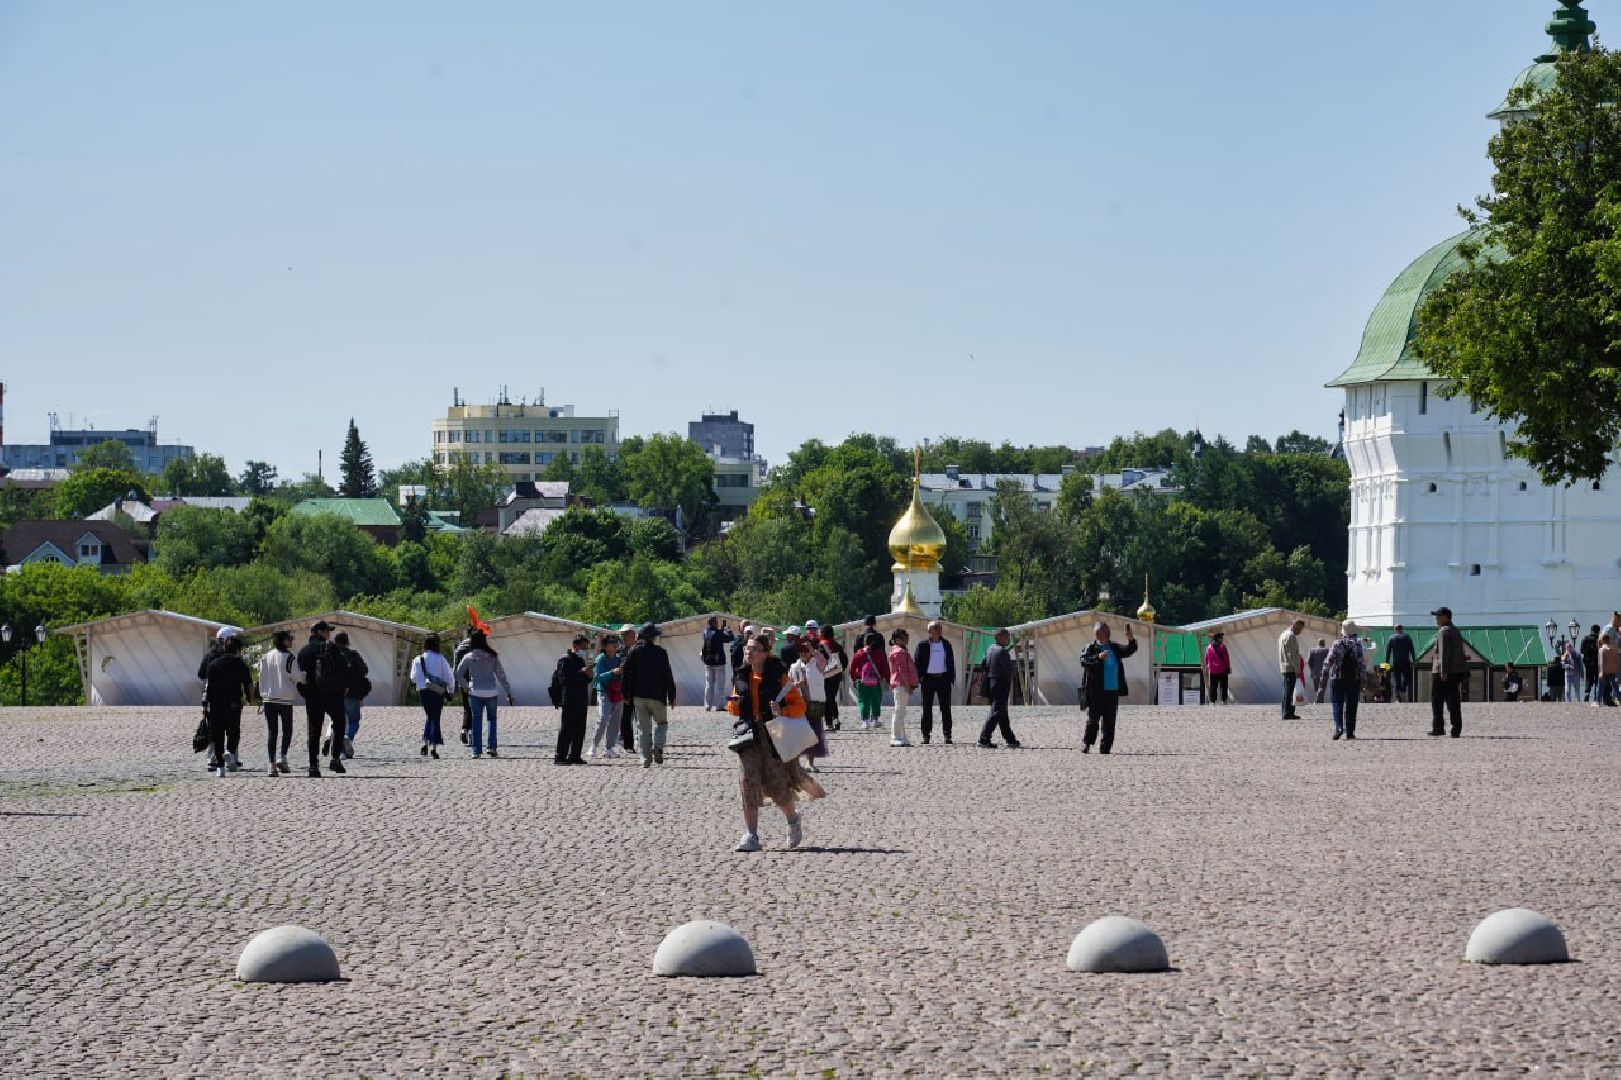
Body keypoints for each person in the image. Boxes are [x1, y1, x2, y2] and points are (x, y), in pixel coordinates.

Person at [728, 634, 826, 852]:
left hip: (774, 736)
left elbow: (799, 706)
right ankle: (751, 835)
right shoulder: (741, 675)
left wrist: (781, 710)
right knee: (747, 782)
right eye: (747, 648)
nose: (748, 652)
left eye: (754, 649)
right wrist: (734, 703)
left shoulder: (778, 675)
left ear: (765, 653)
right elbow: (733, 706)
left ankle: (793, 820)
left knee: (777, 784)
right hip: (748, 735)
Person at [619, 622, 676, 767]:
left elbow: (626, 674)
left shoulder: (633, 651)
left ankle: (645, 759)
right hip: (657, 696)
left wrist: (625, 693)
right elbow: (668, 675)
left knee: (643, 728)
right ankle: (658, 746)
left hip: (638, 695)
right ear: (653, 637)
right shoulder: (661, 652)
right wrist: (672, 696)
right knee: (662, 724)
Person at [297, 620, 348, 777]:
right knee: (339, 723)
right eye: (327, 631)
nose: (329, 634)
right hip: (333, 694)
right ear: (319, 632)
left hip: (313, 695)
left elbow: (299, 676)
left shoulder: (304, 651)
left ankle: (313, 766)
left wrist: (305, 693)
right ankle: (335, 759)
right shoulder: (332, 648)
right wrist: (343, 688)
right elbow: (344, 669)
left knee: (314, 730)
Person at [1079, 621, 1138, 754]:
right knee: (1093, 719)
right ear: (1097, 633)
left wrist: (1130, 638)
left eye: (1108, 630)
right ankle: (1086, 743)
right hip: (1096, 691)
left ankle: (1105, 748)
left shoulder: (1114, 647)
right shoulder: (1091, 647)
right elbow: (1083, 661)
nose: (1108, 633)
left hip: (1112, 690)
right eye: (1105, 631)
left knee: (1109, 721)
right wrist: (1098, 657)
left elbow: (1129, 650)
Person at [455, 630, 513, 758]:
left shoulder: (468, 657)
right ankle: (492, 748)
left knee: (476, 720)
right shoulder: (492, 656)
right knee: (492, 719)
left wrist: (466, 688)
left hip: (475, 691)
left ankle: (476, 751)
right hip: (491, 691)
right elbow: (501, 675)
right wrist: (508, 692)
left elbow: (458, 674)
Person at [203, 635, 255, 778]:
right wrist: (250, 699)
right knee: (233, 731)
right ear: (237, 649)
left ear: (224, 648)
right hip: (233, 703)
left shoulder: (214, 664)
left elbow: (208, 686)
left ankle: (220, 767)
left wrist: (205, 705)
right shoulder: (240, 664)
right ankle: (230, 751)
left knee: (218, 734)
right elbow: (248, 684)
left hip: (216, 704)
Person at [196, 626, 242, 770]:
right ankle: (232, 757)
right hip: (230, 697)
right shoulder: (233, 657)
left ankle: (213, 759)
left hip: (212, 697)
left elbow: (201, 674)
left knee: (214, 728)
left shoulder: (209, 656)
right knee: (232, 728)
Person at [256, 629, 299, 776]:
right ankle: (283, 756)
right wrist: (304, 676)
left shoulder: (266, 656)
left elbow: (261, 677)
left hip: (269, 698)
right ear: (284, 641)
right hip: (285, 698)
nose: (291, 641)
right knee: (287, 730)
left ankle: (271, 764)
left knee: (272, 731)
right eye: (289, 638)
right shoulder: (290, 658)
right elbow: (297, 676)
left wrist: (262, 694)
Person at [410, 633, 454, 759]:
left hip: (423, 691)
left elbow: (413, 678)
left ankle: (425, 744)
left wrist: (423, 680)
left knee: (430, 716)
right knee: (435, 718)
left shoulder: (418, 659)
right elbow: (449, 677)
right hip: (437, 691)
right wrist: (450, 691)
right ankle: (434, 747)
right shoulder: (440, 659)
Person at [327, 631, 369, 760]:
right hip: (352, 693)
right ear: (347, 642)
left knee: (337, 721)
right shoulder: (353, 655)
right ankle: (347, 740)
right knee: (353, 720)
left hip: (334, 693)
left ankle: (338, 747)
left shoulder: (329, 655)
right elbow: (364, 670)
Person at [913, 621, 956, 744]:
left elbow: (951, 661)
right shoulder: (923, 645)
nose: (937, 629)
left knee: (946, 708)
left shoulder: (946, 644)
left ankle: (947, 735)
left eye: (939, 627)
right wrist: (920, 677)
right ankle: (926, 735)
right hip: (928, 679)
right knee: (926, 708)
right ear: (929, 631)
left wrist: (951, 677)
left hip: (943, 679)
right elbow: (917, 662)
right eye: (935, 628)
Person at [789, 638, 829, 770]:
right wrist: (797, 685)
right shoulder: (794, 667)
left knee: (814, 732)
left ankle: (810, 762)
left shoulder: (816, 664)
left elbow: (824, 662)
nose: (803, 654)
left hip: (814, 703)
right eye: (801, 651)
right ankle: (797, 764)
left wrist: (813, 651)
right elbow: (788, 685)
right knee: (800, 733)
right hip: (799, 704)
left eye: (806, 651)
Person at [977, 628, 1020, 749]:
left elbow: (983, 664)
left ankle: (1010, 738)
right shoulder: (1002, 651)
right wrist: (1013, 673)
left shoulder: (990, 649)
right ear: (999, 637)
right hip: (1001, 682)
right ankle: (984, 738)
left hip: (992, 682)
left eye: (1008, 637)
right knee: (996, 711)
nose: (1008, 639)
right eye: (1006, 637)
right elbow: (1009, 669)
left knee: (1002, 712)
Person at [554, 634, 593, 765]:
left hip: (581, 698)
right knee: (567, 728)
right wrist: (581, 672)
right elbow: (564, 680)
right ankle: (560, 756)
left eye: (586, 648)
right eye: (583, 647)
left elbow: (586, 680)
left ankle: (575, 755)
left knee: (580, 728)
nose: (585, 650)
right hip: (569, 698)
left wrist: (589, 675)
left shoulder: (581, 660)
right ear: (575, 646)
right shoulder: (565, 659)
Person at [1324, 621, 1365, 740]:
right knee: (1352, 705)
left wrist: (1324, 673)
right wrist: (1363, 678)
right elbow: (1361, 663)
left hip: (1338, 677)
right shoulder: (1358, 645)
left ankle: (1339, 728)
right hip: (1353, 678)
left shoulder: (1337, 643)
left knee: (1337, 703)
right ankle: (1350, 732)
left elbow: (1329, 660)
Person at [1430, 607, 1467, 737]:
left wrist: (1443, 671)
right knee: (1453, 701)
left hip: (1442, 672)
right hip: (1455, 672)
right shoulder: (1455, 630)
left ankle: (1438, 727)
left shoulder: (1444, 631)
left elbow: (1443, 652)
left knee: (1437, 701)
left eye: (1438, 616)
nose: (1436, 619)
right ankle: (1456, 728)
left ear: (1445, 617)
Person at [590, 634, 624, 758]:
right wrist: (612, 672)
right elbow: (597, 677)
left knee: (615, 721)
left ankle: (609, 749)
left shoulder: (619, 658)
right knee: (603, 718)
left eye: (616, 642)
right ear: (605, 646)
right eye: (612, 642)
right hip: (604, 692)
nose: (615, 644)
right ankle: (593, 746)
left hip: (617, 692)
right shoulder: (601, 658)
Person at [849, 634, 889, 729]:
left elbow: (852, 668)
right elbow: (885, 668)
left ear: (865, 642)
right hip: (875, 681)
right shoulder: (879, 653)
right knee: (876, 700)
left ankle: (865, 721)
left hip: (861, 680)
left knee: (863, 701)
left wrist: (854, 679)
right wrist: (887, 678)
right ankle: (875, 720)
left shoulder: (859, 653)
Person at [887, 628, 918, 748]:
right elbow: (902, 671)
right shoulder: (899, 652)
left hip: (900, 684)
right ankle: (895, 737)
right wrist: (908, 685)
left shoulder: (898, 651)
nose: (907, 639)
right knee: (899, 711)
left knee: (901, 712)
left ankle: (903, 737)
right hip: (901, 684)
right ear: (897, 640)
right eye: (904, 637)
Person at [700, 616, 735, 712]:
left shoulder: (705, 632)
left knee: (709, 684)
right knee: (720, 685)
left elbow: (714, 637)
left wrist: (720, 630)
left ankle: (708, 705)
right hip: (719, 662)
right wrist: (729, 631)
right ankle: (719, 705)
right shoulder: (719, 633)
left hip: (708, 661)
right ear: (714, 622)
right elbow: (729, 638)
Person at [616, 624, 639, 755]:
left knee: (641, 718)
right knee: (625, 718)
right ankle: (628, 745)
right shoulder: (620, 651)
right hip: (625, 688)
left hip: (639, 688)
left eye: (625, 634)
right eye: (622, 634)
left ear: (632, 634)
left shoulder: (640, 649)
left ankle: (643, 742)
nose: (623, 637)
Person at [452, 624, 478, 744]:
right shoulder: (478, 646)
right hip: (476, 681)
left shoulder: (460, 647)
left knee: (467, 708)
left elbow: (455, 668)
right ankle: (471, 732)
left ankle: (464, 730)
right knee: (475, 708)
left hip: (463, 681)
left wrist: (455, 686)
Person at [819, 625, 847, 732]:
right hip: (836, 675)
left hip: (825, 675)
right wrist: (839, 670)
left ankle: (829, 724)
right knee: (831, 697)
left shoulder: (820, 647)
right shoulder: (837, 646)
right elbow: (844, 660)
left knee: (827, 698)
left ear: (822, 634)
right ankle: (835, 718)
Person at [1278, 619, 1306, 719]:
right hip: (1291, 668)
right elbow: (1292, 655)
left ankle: (1287, 712)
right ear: (1295, 625)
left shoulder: (1283, 635)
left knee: (1287, 691)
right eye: (1300, 629)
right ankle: (1288, 713)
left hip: (1285, 666)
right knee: (1289, 692)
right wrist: (1297, 669)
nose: (1300, 632)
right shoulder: (1291, 636)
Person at [1385, 624, 1416, 703]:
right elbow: (1412, 650)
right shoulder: (1407, 637)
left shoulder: (1391, 638)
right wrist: (1414, 660)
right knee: (1407, 677)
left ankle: (1397, 697)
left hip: (1396, 662)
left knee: (1397, 679)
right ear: (1402, 629)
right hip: (1406, 661)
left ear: (1395, 629)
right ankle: (1403, 687)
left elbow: (1388, 652)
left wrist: (1387, 662)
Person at [1205, 632, 1232, 705]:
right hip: (1222, 669)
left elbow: (1206, 659)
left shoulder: (1208, 647)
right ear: (1218, 639)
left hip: (1213, 670)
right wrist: (1228, 668)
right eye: (1221, 638)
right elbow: (1226, 658)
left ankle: (1213, 701)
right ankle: (1224, 700)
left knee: (1213, 686)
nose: (1222, 639)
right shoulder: (1222, 647)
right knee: (1224, 686)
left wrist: (1209, 666)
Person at [1599, 632, 1620, 707]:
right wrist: (1616, 669)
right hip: (1612, 670)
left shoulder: (1602, 649)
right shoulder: (1614, 648)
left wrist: (1601, 672)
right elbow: (1617, 660)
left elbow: (1601, 662)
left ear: (1603, 640)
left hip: (1605, 671)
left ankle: (1599, 701)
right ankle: (1620, 699)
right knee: (1615, 686)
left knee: (1601, 687)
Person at [1306, 637, 1329, 704]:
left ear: (1318, 643)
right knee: (1323, 687)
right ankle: (1319, 700)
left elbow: (1309, 662)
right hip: (1324, 672)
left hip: (1315, 673)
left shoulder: (1312, 651)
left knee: (1316, 688)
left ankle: (1318, 699)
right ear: (1324, 643)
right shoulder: (1327, 651)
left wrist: (1312, 669)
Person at [1581, 624, 1600, 702]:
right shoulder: (1599, 639)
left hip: (1588, 663)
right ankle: (1596, 695)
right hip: (1597, 662)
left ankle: (1587, 693)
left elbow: (1581, 651)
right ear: (1598, 631)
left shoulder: (1585, 638)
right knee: (1597, 678)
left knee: (1588, 678)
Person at [1563, 638, 1584, 703]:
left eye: (1569, 647)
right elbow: (1563, 665)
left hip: (1576, 673)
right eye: (1567, 647)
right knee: (1567, 689)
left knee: (1577, 689)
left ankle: (1578, 701)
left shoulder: (1577, 654)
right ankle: (1568, 702)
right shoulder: (1564, 655)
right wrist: (1565, 660)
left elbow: (1581, 665)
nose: (1568, 649)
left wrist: (1582, 675)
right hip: (1568, 673)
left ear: (1572, 647)